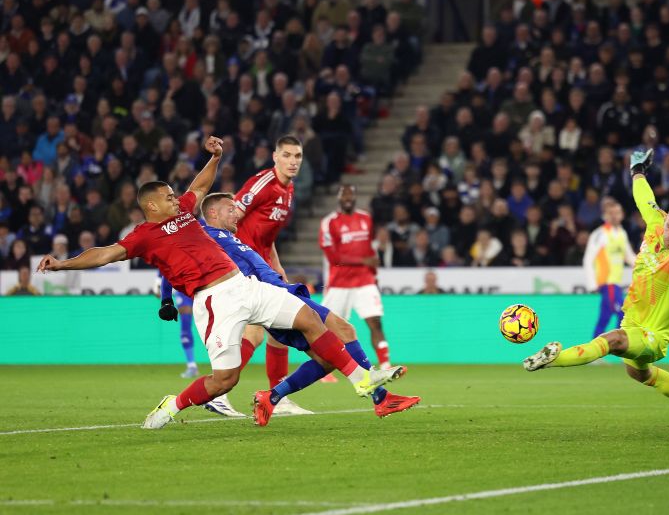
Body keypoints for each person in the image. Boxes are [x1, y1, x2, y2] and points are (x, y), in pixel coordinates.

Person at [37, 136, 399, 430]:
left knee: (310, 318)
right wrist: (63, 263)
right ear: (151, 207)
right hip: (214, 302)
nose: (176, 199)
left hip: (243, 285)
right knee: (225, 380)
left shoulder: (182, 212)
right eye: (167, 197)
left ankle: (362, 381)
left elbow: (200, 185)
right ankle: (173, 404)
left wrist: (215, 157)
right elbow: (103, 254)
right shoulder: (142, 236)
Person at [159, 193, 419, 423]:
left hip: (278, 292)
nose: (237, 212)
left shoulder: (229, 237)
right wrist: (166, 299)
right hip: (268, 298)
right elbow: (171, 260)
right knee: (344, 331)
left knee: (328, 357)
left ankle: (271, 397)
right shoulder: (205, 236)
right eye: (230, 208)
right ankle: (378, 395)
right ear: (213, 212)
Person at [523, 150, 669, 427]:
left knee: (612, 341)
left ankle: (552, 359)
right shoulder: (656, 225)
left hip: (653, 335)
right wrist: (638, 171)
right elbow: (645, 199)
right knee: (639, 374)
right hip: (633, 321)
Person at [230, 135, 310, 416]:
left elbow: (268, 236)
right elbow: (230, 218)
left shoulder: (289, 191)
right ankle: (219, 391)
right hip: (246, 266)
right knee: (258, 330)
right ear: (275, 156)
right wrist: (234, 259)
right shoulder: (262, 183)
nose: (292, 161)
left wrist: (277, 266)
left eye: (297, 156)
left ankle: (276, 395)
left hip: (263, 266)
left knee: (281, 330)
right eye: (287, 155)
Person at [319, 185, 392, 369]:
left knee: (375, 321)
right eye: (344, 195)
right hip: (339, 283)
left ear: (356, 197)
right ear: (339, 198)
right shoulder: (329, 223)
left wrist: (373, 274)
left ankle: (385, 365)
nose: (348, 198)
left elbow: (369, 251)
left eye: (351, 194)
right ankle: (323, 368)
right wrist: (363, 261)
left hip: (364, 281)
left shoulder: (366, 219)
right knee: (327, 329)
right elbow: (334, 258)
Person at [583, 199, 635, 338]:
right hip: (607, 282)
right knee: (623, 314)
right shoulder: (600, 234)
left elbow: (629, 257)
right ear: (604, 216)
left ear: (622, 214)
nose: (614, 216)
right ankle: (619, 346)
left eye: (617, 212)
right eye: (610, 213)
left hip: (615, 283)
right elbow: (588, 259)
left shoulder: (621, 233)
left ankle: (594, 350)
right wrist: (592, 284)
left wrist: (647, 267)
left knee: (604, 317)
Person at [154, 271, 198, 379]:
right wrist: (159, 284)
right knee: (186, 325)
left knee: (211, 326)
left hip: (203, 283)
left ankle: (220, 365)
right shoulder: (165, 256)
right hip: (183, 288)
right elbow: (164, 263)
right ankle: (191, 365)